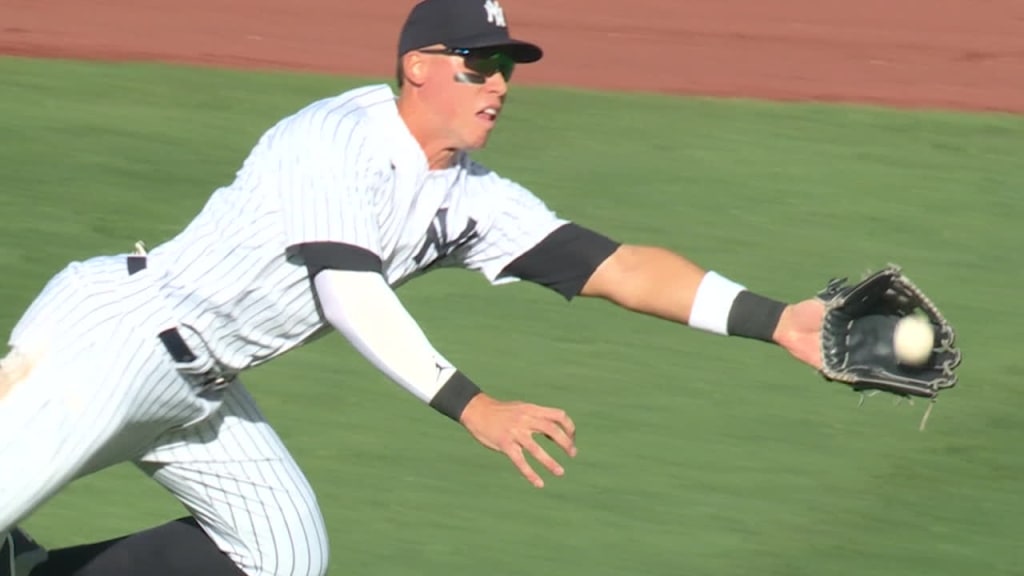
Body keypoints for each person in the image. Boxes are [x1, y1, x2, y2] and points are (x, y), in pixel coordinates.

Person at [0, 0, 827, 574]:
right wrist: (474, 404)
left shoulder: (473, 194)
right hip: (111, 345)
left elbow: (620, 267)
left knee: (282, 556)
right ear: (419, 68)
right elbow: (350, 294)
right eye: (480, 64)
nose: (499, 83)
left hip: (198, 392)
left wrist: (777, 319)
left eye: (507, 67)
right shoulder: (333, 139)